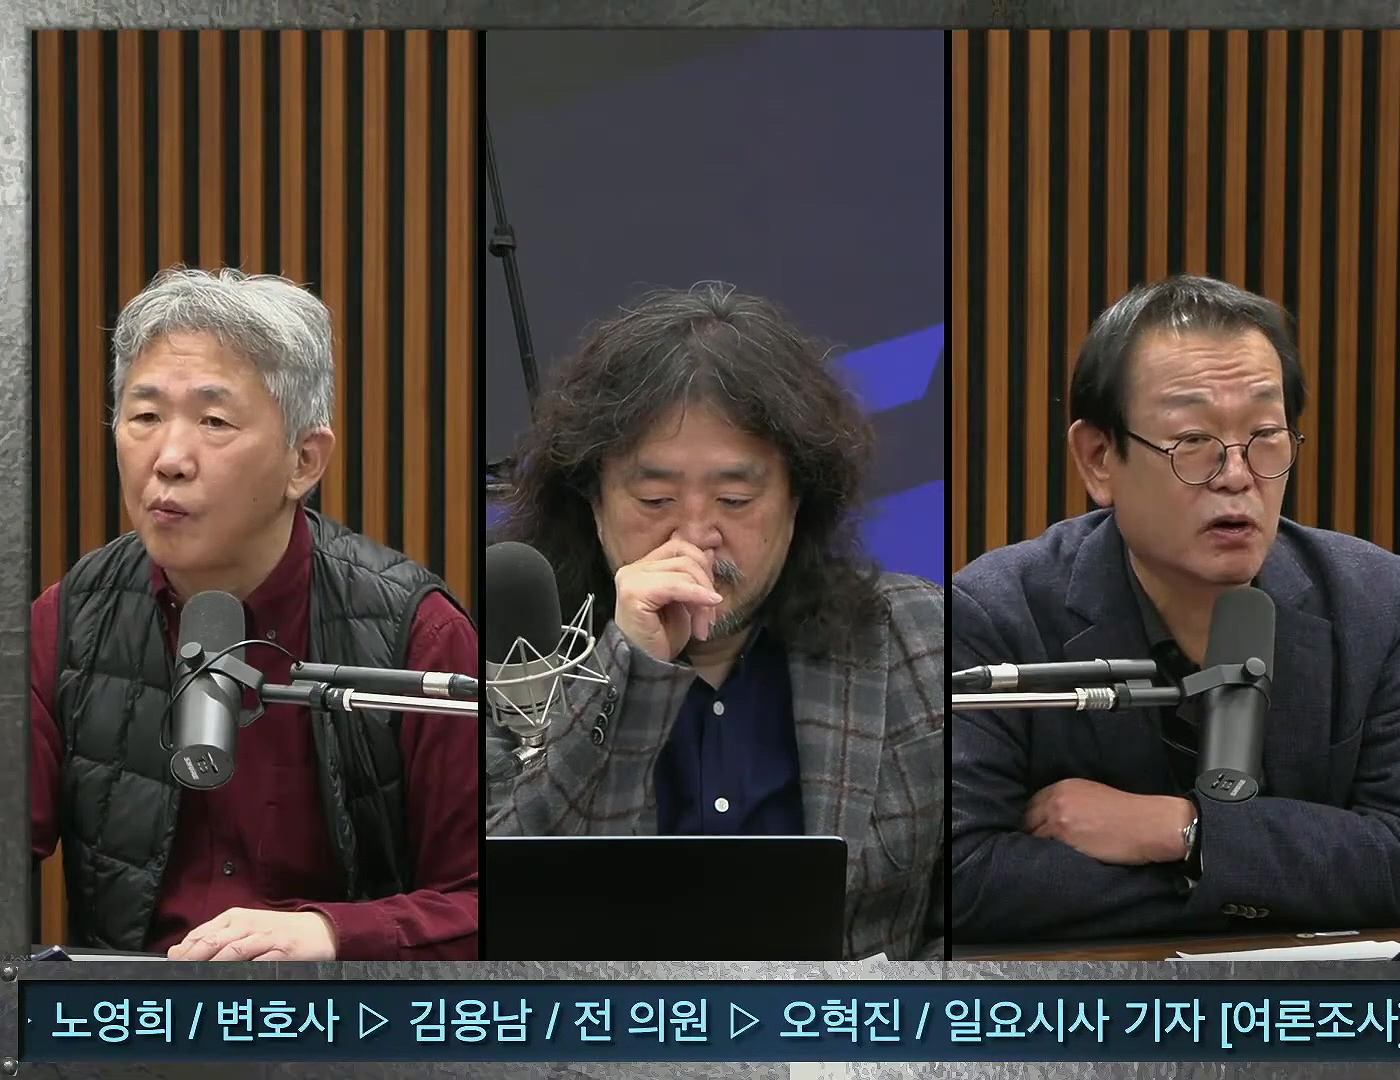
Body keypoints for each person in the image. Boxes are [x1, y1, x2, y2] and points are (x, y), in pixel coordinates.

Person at [949, 274, 1400, 944]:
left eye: (1266, 435)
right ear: (1099, 459)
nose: (1237, 476)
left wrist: (1181, 831)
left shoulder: (1366, 596)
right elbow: (968, 878)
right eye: (1193, 441)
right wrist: (1274, 879)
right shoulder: (999, 612)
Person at [30, 267, 480, 960]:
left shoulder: (417, 633)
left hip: (343, 1016)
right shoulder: (70, 620)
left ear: (304, 460)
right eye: (145, 417)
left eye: (214, 422)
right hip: (134, 1016)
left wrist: (335, 934)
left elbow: (480, 901)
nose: (169, 459)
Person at [486, 283, 946, 962]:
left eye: (735, 499)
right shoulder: (509, 652)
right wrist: (629, 666)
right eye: (655, 499)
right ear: (593, 501)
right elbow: (507, 910)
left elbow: (965, 920)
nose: (695, 536)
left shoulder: (921, 640)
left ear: (798, 501)